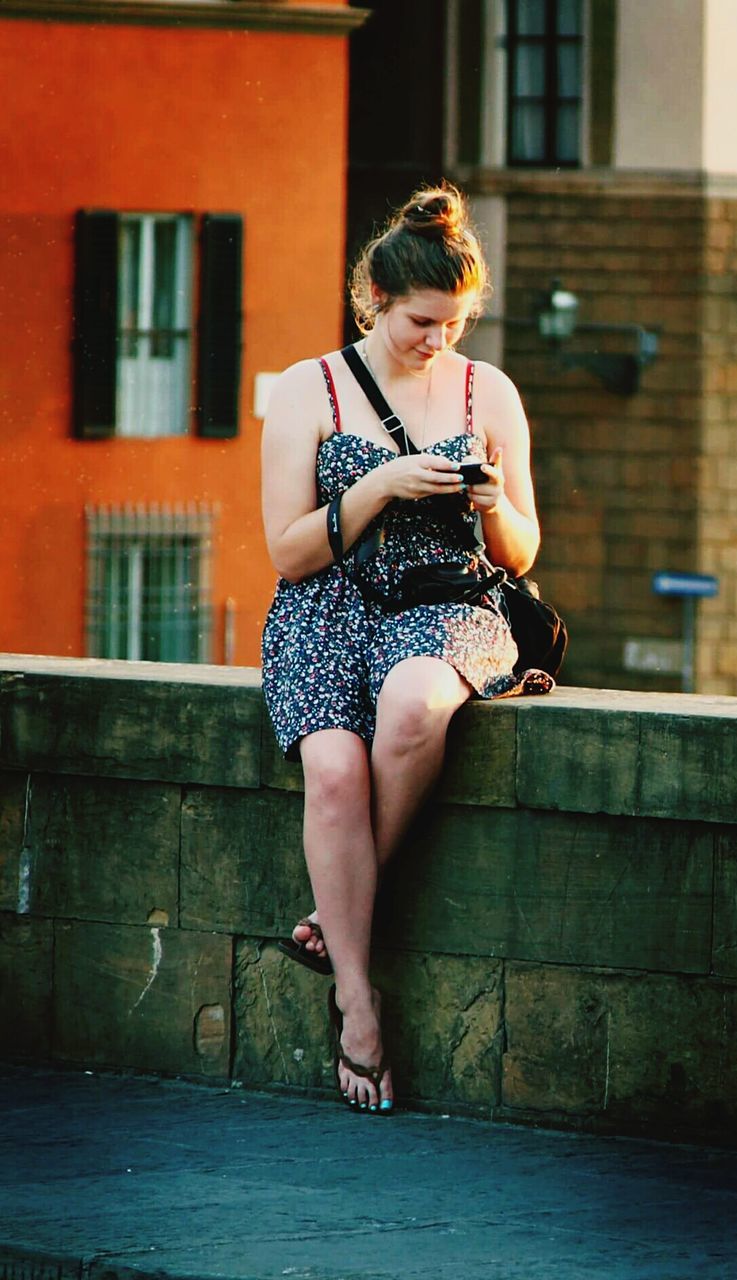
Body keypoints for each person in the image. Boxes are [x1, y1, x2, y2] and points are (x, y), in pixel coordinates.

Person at [260, 183, 542, 1116]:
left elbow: (522, 551)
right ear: (373, 301)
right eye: (424, 322)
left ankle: (336, 918)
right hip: (326, 606)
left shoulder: (484, 389)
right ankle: (356, 996)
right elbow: (287, 550)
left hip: (442, 603)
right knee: (333, 773)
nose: (440, 342)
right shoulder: (312, 387)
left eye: (457, 324)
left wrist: (491, 499)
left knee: (416, 706)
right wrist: (379, 483)